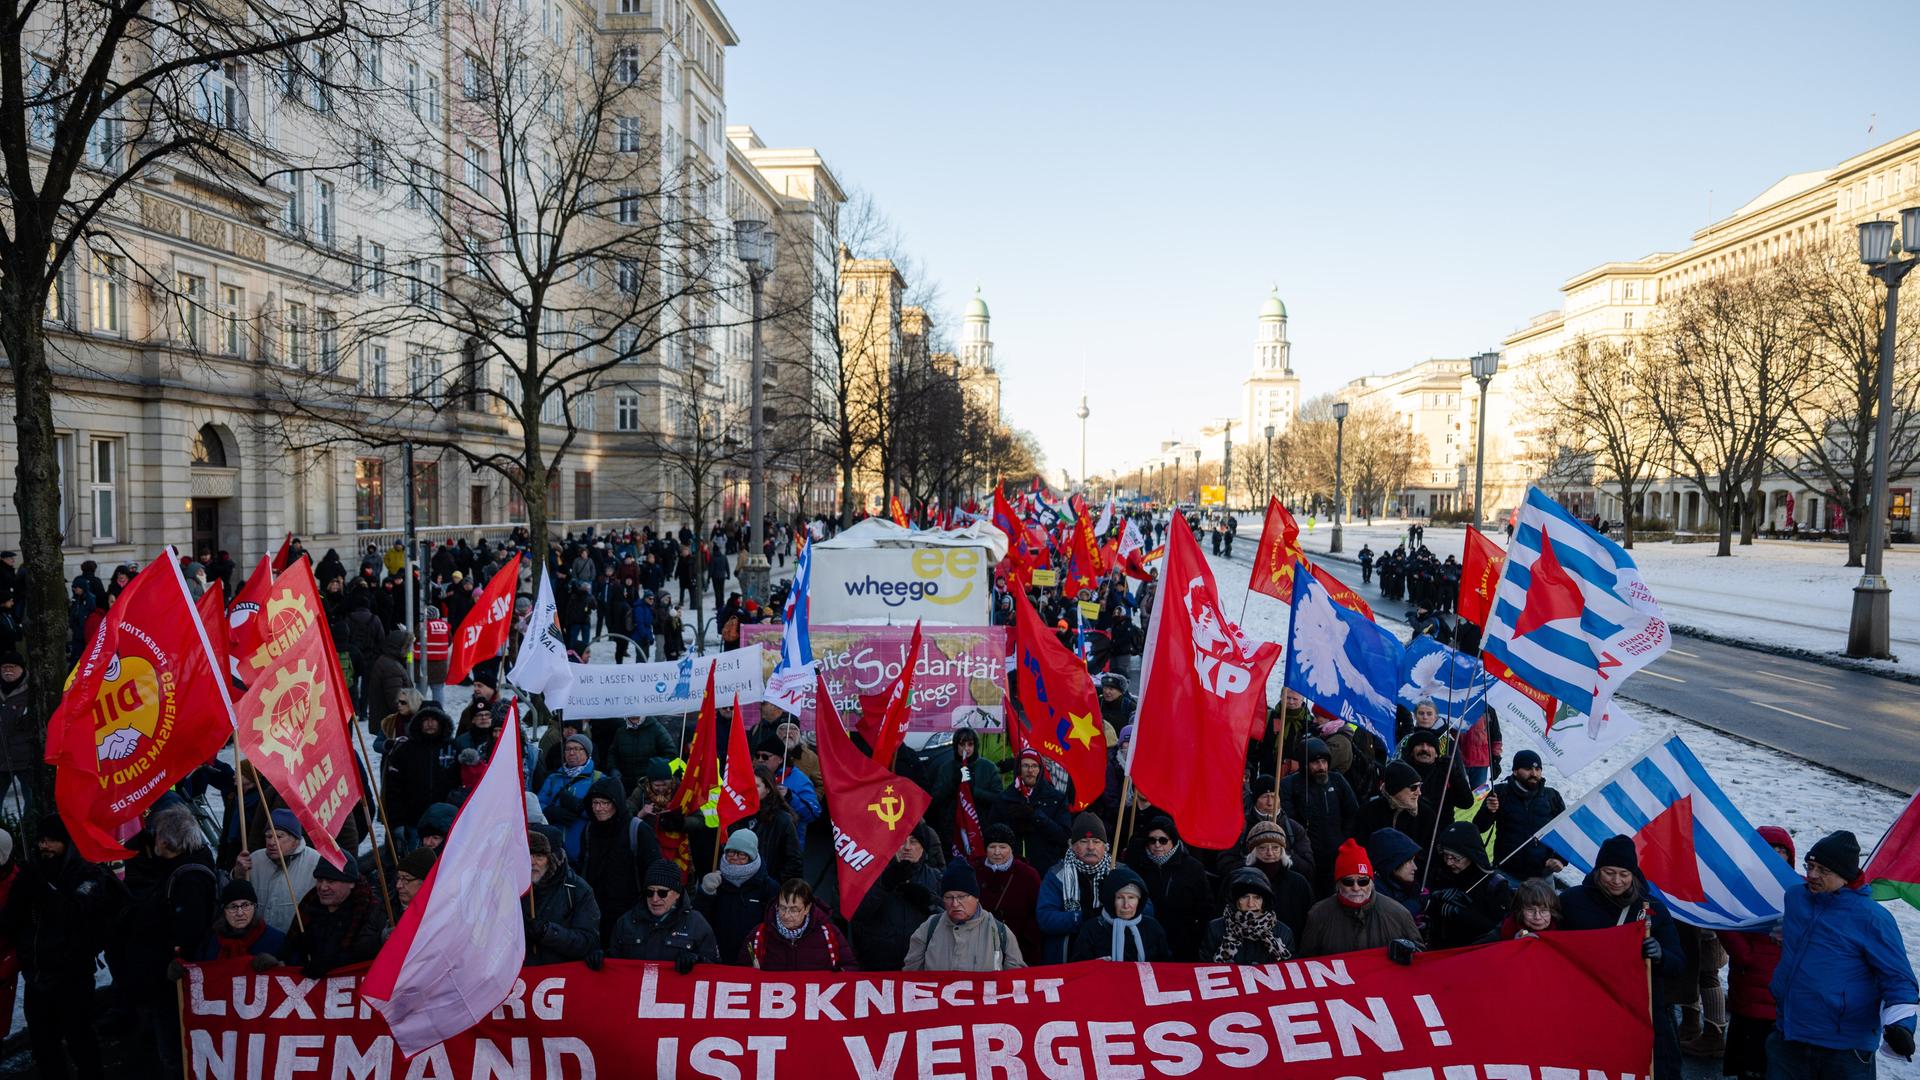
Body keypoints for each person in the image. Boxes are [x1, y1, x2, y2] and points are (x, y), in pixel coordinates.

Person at [1768, 830, 1917, 1075]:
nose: (1812, 875)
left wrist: (1901, 1026)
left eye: (1823, 870)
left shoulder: (1872, 919)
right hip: (1788, 1036)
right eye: (1810, 865)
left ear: (1846, 875)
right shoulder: (1796, 898)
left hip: (1843, 1050)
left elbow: (1898, 978)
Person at [8, 817, 127, 1080]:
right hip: (37, 977)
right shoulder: (33, 871)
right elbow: (12, 920)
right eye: (41, 840)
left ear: (67, 842)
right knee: (43, 1047)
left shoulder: (87, 873)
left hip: (72, 976)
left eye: (51, 840)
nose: (44, 846)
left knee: (80, 1041)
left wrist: (43, 891)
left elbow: (74, 913)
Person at [1558, 835, 1685, 1080]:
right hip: (1586, 1008)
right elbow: (1547, 940)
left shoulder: (1652, 908)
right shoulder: (1571, 902)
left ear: (1634, 874)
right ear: (1597, 871)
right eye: (1609, 872)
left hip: (1641, 1009)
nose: (1617, 881)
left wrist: (1661, 955)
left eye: (1624, 874)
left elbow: (1678, 962)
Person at [1719, 825, 1793, 1080]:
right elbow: (1725, 923)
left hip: (1788, 988)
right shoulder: (1740, 886)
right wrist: (1745, 955)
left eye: (1782, 850)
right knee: (1750, 1057)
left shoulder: (1800, 888)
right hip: (1751, 982)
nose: (1777, 855)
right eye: (1770, 849)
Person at [1298, 839, 1421, 957]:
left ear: (1372, 882)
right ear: (1338, 884)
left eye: (1363, 881)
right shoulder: (1318, 915)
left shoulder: (1398, 914)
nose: (1356, 888)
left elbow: (1421, 958)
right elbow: (1306, 963)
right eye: (1348, 881)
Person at [850, 822, 942, 972]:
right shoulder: (871, 873)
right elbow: (857, 914)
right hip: (878, 965)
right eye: (901, 840)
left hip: (922, 965)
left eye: (914, 841)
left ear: (923, 846)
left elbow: (953, 919)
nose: (907, 847)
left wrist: (928, 902)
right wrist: (884, 885)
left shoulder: (936, 877)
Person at [904, 860, 1025, 972]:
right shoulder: (928, 929)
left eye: (961, 897)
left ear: (976, 897)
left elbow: (1017, 982)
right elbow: (909, 979)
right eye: (949, 897)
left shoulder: (999, 932)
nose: (955, 903)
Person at [577, 777, 658, 944]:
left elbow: (654, 871)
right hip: (595, 911)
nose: (598, 808)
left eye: (604, 803)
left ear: (617, 803)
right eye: (595, 803)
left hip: (631, 913)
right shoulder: (589, 830)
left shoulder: (638, 830)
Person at [1124, 815, 1212, 962]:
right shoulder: (1136, 865)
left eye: (1163, 840)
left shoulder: (1192, 867)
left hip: (1183, 942)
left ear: (1173, 841)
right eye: (1152, 840)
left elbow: (1206, 906)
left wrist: (1196, 935)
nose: (1157, 845)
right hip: (1145, 940)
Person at [1471, 749, 1567, 880]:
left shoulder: (1552, 796)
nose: (1534, 773)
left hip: (1542, 877)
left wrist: (1560, 859)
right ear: (1515, 771)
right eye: (1528, 769)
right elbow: (1478, 827)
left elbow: (1567, 832)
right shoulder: (1499, 793)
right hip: (1506, 873)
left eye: (1538, 769)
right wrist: (1489, 811)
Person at [1281, 737, 1359, 896]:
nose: (1321, 767)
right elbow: (1288, 820)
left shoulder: (1337, 780)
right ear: (1305, 764)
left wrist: (1344, 840)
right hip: (1307, 857)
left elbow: (1352, 812)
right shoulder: (1289, 785)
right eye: (1315, 763)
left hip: (1336, 855)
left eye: (1324, 762)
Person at [608, 862, 720, 972]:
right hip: (634, 989)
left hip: (678, 990)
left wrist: (698, 961)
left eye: (662, 893)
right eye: (649, 892)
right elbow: (612, 963)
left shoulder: (696, 924)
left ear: (677, 894)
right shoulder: (627, 922)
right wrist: (601, 959)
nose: (655, 899)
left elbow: (716, 969)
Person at [285, 858, 386, 976]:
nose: (323, 887)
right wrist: (277, 961)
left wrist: (331, 964)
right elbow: (290, 947)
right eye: (319, 880)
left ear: (351, 883)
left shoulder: (371, 910)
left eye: (331, 881)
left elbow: (368, 954)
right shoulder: (309, 903)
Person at [1036, 812, 1114, 965]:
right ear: (1072, 845)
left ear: (1105, 846)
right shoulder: (1056, 875)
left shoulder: (1119, 872)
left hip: (1111, 955)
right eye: (1084, 841)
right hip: (1066, 956)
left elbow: (1146, 909)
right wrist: (1080, 917)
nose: (1090, 847)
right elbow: (1045, 917)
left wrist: (1118, 911)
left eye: (1096, 841)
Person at [1425, 821, 1516, 948]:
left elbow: (1501, 928)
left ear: (1470, 855)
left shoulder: (1495, 884)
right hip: (1442, 950)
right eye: (1446, 856)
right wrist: (1435, 899)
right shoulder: (1441, 874)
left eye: (1455, 858)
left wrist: (1464, 914)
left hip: (1477, 953)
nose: (1449, 863)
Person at [694, 830, 780, 964]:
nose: (734, 857)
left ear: (751, 856)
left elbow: (775, 927)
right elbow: (698, 920)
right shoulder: (715, 880)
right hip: (717, 957)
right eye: (730, 852)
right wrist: (705, 892)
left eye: (741, 854)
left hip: (752, 960)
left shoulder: (769, 887)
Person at [233, 809, 321, 934]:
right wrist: (239, 874)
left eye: (279, 836)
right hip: (257, 938)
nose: (271, 842)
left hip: (295, 940)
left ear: (295, 839)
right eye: (268, 836)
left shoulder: (315, 862)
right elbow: (237, 900)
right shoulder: (254, 859)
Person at [382, 706, 457, 851]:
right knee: (417, 866)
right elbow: (393, 789)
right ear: (418, 723)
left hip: (447, 822)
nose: (430, 723)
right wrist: (397, 822)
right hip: (413, 822)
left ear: (441, 722)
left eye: (434, 720)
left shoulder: (453, 748)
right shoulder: (405, 750)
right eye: (426, 720)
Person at [525, 827, 602, 966]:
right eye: (527, 855)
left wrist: (547, 932)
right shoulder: (510, 888)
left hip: (558, 975)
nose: (531, 862)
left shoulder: (578, 890)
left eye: (539, 856)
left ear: (554, 859)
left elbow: (588, 942)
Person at [740, 879, 853, 972]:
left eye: (794, 910)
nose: (786, 915)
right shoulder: (759, 934)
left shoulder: (829, 933)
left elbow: (851, 968)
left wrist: (840, 974)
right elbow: (741, 971)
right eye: (782, 907)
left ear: (807, 909)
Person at [973, 823, 1044, 962]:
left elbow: (1037, 912)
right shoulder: (973, 871)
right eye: (992, 846)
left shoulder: (1028, 875)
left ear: (1011, 849)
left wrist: (1027, 941)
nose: (997, 852)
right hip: (978, 947)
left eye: (1003, 847)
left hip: (1019, 949)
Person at [991, 749, 1070, 871]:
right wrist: (1012, 825)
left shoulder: (1056, 798)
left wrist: (1036, 816)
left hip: (1046, 869)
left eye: (1034, 766)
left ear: (1040, 769)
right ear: (1018, 769)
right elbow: (993, 835)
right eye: (1025, 765)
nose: (1030, 770)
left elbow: (1063, 837)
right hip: (1012, 869)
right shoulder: (1004, 798)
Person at [1070, 866, 1170, 962]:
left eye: (1131, 897)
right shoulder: (1092, 929)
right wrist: (1095, 965)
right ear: (1110, 900)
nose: (1126, 905)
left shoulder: (1152, 927)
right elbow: (1079, 968)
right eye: (1120, 898)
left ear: (1140, 900)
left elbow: (1166, 967)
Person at [1202, 867, 1294, 964]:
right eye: (1244, 897)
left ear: (1264, 901)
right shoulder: (1215, 929)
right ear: (1235, 900)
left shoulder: (1283, 933)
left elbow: (1292, 972)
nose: (1250, 904)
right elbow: (1203, 969)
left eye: (1257, 898)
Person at [537, 733, 604, 861]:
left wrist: (579, 807)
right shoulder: (553, 778)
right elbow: (538, 804)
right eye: (568, 749)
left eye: (577, 749)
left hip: (584, 847)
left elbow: (604, 811)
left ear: (587, 753)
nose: (571, 753)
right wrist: (550, 811)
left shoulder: (598, 779)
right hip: (554, 849)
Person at [732, 767, 804, 883]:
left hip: (767, 887)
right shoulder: (738, 813)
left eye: (757, 786)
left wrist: (774, 887)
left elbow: (794, 861)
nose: (751, 790)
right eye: (749, 785)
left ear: (768, 789)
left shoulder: (782, 820)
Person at [189, 881, 288, 965]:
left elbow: (294, 973)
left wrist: (277, 965)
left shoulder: (276, 940)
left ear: (254, 907)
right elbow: (199, 971)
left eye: (245, 905)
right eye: (233, 907)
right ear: (224, 910)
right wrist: (184, 973)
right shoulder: (211, 939)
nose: (240, 913)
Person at [1367, 827, 1428, 926]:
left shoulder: (1401, 883)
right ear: (1392, 864)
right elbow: (1392, 920)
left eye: (1414, 860)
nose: (1415, 867)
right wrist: (1417, 902)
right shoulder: (1373, 892)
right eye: (1409, 861)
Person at [1356, 760, 1424, 846]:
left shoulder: (1426, 815)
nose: (1419, 792)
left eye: (1420, 786)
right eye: (1413, 787)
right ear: (1396, 789)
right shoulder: (1367, 813)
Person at [608, 715, 676, 797]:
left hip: (651, 788)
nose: (634, 714)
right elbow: (613, 753)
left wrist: (656, 772)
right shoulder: (621, 731)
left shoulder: (656, 729)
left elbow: (671, 753)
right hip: (626, 786)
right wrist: (613, 768)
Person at [1484, 877, 1561, 942]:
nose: (1537, 917)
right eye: (1530, 910)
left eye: (1543, 911)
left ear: (1552, 912)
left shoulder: (1560, 935)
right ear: (1519, 910)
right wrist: (1513, 945)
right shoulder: (1497, 935)